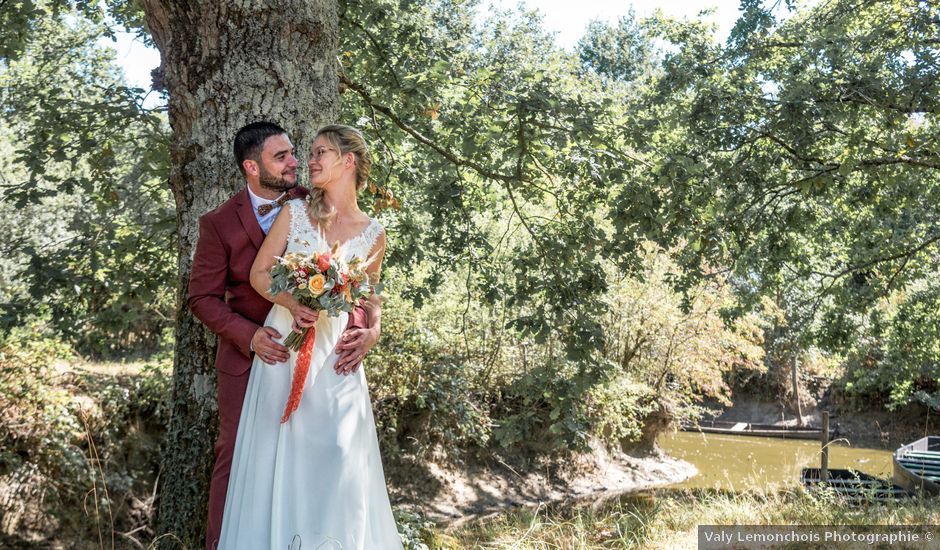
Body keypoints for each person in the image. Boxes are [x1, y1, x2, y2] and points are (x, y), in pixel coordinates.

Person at [187, 121, 380, 550]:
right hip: (253, 352)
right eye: (284, 157)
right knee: (238, 457)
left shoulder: (309, 203)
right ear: (252, 168)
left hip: (321, 350)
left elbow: (368, 291)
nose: (297, 162)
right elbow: (200, 297)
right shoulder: (218, 223)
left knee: (322, 451)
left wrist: (372, 331)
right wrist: (252, 334)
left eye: (300, 153)